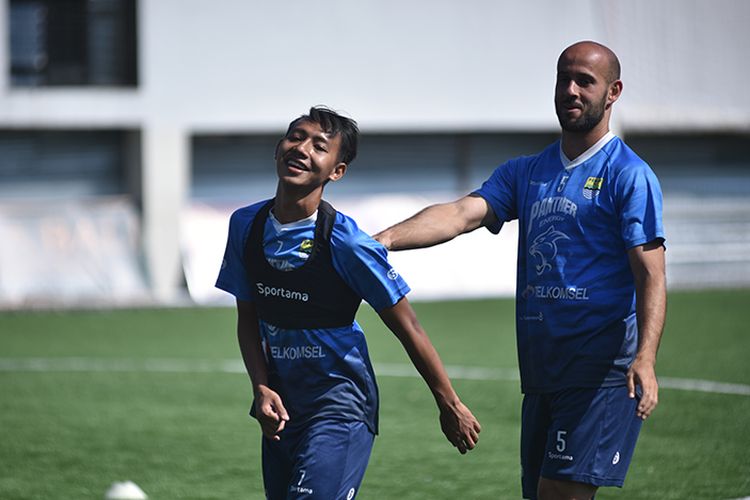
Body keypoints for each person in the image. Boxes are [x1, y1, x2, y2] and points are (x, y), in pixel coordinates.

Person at [374, 41, 666, 500]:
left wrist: (645, 358)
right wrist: (385, 240)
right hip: (542, 372)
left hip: (599, 370)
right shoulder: (527, 171)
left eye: (584, 81)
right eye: (563, 79)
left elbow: (651, 275)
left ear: (613, 92)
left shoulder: (629, 175)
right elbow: (460, 214)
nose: (570, 90)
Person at [215, 106, 481, 500]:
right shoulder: (245, 225)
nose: (301, 148)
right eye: (295, 136)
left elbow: (408, 326)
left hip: (340, 408)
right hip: (283, 409)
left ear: (336, 171)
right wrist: (261, 387)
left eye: (318, 146)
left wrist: (449, 403)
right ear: (277, 148)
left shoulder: (347, 243)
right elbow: (248, 318)